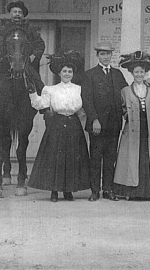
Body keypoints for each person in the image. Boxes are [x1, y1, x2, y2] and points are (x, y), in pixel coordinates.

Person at [27, 59, 89, 202]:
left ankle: (68, 191)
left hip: (73, 123)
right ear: (59, 73)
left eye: (70, 71)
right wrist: (33, 93)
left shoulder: (78, 89)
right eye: (64, 71)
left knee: (72, 158)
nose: (67, 74)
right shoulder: (50, 89)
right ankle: (54, 191)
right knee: (55, 158)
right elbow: (39, 104)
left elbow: (82, 107)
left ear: (73, 74)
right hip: (57, 123)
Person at [82, 42, 128, 202]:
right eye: (102, 54)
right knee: (95, 159)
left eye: (108, 54)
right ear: (97, 56)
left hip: (114, 125)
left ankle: (108, 189)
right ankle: (95, 191)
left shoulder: (117, 74)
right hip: (97, 125)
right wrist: (94, 119)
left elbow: (126, 95)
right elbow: (86, 100)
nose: (106, 57)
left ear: (111, 55)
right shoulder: (89, 75)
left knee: (110, 159)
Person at [114, 51, 150, 201]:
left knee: (148, 157)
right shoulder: (125, 91)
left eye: (141, 72)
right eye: (136, 72)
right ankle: (132, 191)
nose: (139, 74)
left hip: (149, 130)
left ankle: (149, 191)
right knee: (133, 159)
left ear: (145, 72)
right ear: (132, 73)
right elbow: (121, 109)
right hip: (133, 131)